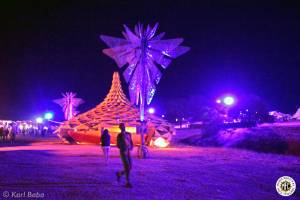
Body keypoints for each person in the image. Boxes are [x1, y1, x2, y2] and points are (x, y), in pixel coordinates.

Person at [116, 123, 133, 188]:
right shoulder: (119, 135)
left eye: (123, 126)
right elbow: (118, 145)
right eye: (121, 127)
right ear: (120, 128)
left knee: (130, 167)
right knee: (127, 166)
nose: (123, 128)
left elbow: (131, 141)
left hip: (128, 152)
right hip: (123, 152)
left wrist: (131, 147)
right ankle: (127, 182)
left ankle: (119, 174)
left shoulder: (129, 133)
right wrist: (123, 147)